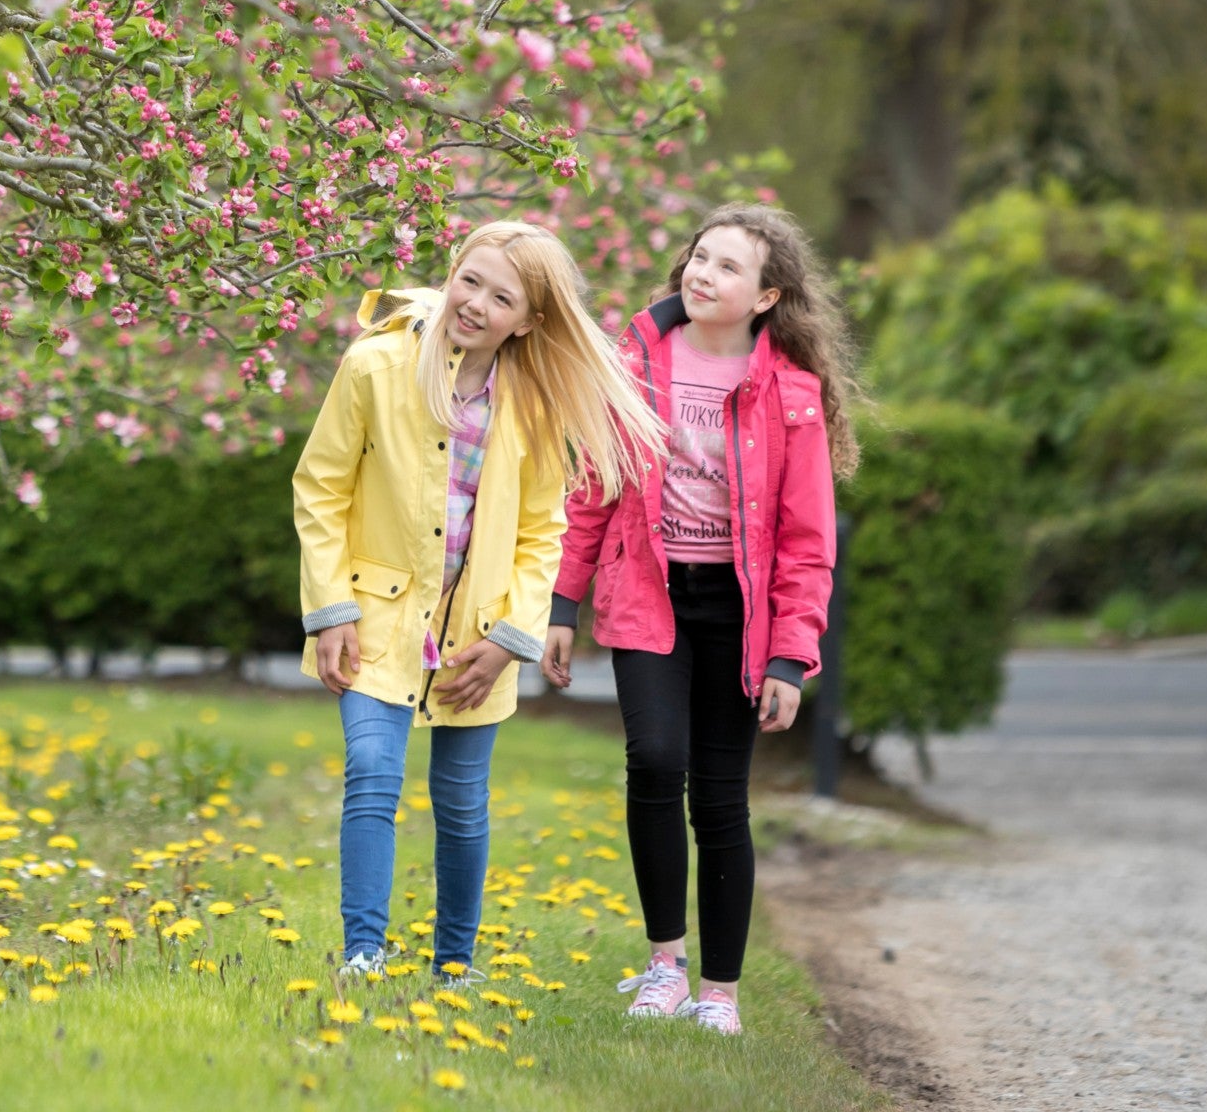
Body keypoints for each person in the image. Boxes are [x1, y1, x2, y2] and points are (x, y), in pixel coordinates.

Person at [295, 221, 661, 987]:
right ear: (450, 273)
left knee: (461, 802)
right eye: (471, 281)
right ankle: (363, 953)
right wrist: (332, 611)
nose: (477, 304)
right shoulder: (375, 365)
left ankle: (453, 966)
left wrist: (512, 637)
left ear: (529, 320)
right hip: (377, 616)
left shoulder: (534, 404)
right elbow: (322, 489)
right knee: (371, 770)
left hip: (478, 637)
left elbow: (541, 531)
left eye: (504, 298)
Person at [545, 202, 858, 1036]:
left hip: (741, 614)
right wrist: (560, 604)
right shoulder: (635, 360)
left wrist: (793, 657)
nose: (702, 273)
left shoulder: (789, 392)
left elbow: (807, 537)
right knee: (654, 760)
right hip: (648, 593)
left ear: (766, 297)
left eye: (727, 267)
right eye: (699, 256)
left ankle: (718, 993)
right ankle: (663, 967)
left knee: (720, 799)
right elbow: (593, 486)